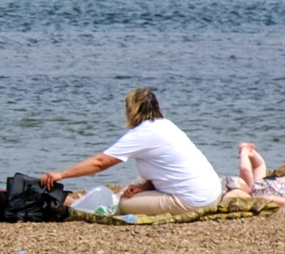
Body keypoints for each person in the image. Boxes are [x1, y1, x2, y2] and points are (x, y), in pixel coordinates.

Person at [40, 88, 223, 215]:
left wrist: (61, 174)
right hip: (213, 192)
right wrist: (145, 187)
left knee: (125, 203)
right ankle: (140, 193)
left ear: (131, 110)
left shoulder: (142, 133)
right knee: (139, 182)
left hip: (196, 201)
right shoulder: (167, 126)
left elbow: (101, 162)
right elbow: (168, 167)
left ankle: (81, 205)